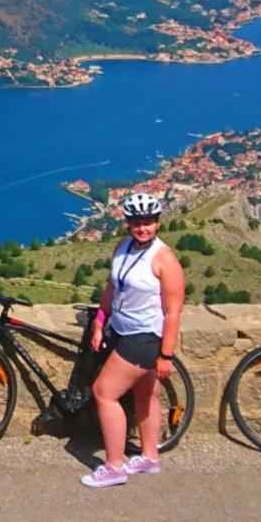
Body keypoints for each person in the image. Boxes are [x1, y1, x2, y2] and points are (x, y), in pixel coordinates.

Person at [80, 191, 186, 488]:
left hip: (145, 336)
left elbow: (173, 311)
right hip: (123, 329)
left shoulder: (164, 258)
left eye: (149, 222)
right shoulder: (123, 246)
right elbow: (112, 288)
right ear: (128, 224)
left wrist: (166, 355)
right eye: (137, 222)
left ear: (158, 223)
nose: (143, 227)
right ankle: (150, 457)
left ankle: (114, 466)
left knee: (104, 393)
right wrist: (100, 322)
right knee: (144, 395)